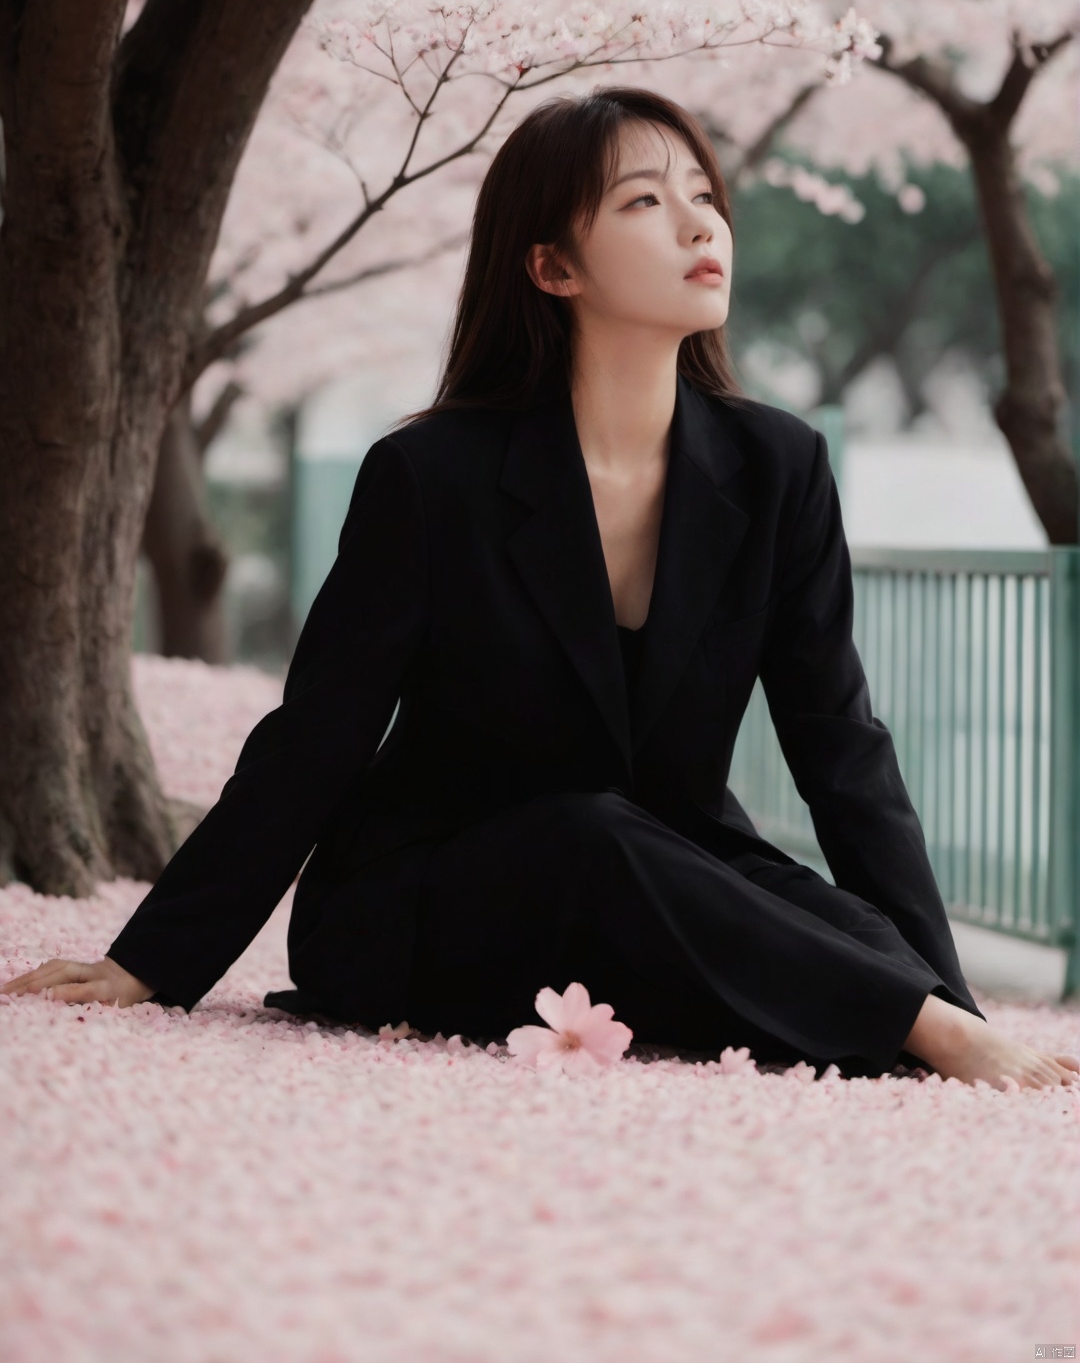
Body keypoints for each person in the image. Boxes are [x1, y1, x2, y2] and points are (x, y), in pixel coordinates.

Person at [5, 87, 1077, 1094]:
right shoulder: (432, 478)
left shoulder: (776, 467)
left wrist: (943, 980)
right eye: (647, 203)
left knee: (832, 923)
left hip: (659, 881)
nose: (701, 226)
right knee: (589, 835)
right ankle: (918, 1028)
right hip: (433, 905)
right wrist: (155, 960)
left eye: (705, 196)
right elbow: (315, 737)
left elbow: (840, 745)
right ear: (554, 267)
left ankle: (928, 1018)